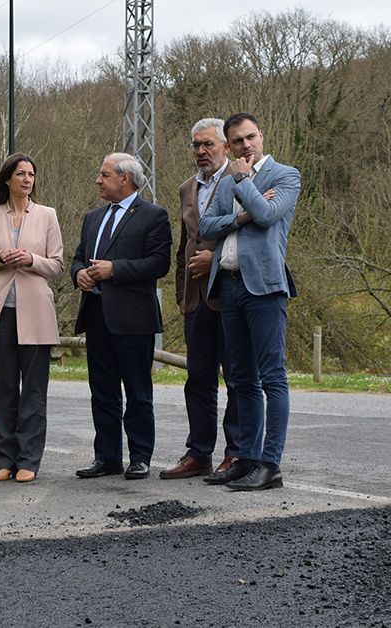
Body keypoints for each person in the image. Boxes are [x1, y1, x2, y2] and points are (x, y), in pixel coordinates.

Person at [199, 112, 301, 492]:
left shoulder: (285, 175)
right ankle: (246, 458)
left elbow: (268, 213)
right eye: (238, 141)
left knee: (272, 378)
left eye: (251, 137)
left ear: (262, 136)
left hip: (264, 288)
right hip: (227, 286)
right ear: (229, 146)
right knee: (240, 380)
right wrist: (240, 215)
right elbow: (207, 227)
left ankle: (270, 464)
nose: (246, 145)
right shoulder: (226, 182)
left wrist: (243, 185)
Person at [71, 153, 172, 480]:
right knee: (102, 391)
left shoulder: (154, 216)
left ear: (125, 179)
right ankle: (107, 457)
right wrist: (79, 276)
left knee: (138, 392)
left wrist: (115, 269)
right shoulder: (92, 218)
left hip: (134, 319)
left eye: (104, 175)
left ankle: (140, 456)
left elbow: (159, 264)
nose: (98, 180)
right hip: (97, 316)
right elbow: (77, 260)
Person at [0, 153, 65, 484]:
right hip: (0, 315)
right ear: (8, 179)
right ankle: (5, 461)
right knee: (4, 392)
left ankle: (29, 460)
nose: (27, 179)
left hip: (37, 314)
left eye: (31, 174)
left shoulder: (47, 215)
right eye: (21, 174)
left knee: (34, 392)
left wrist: (30, 259)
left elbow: (57, 265)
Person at [161, 118, 241, 481]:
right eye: (196, 145)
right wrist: (181, 295)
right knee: (198, 379)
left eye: (208, 144)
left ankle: (236, 452)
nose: (201, 151)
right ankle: (199, 453)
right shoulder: (185, 188)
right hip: (196, 300)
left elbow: (249, 230)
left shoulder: (241, 179)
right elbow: (184, 247)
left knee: (237, 378)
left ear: (225, 146)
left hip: (231, 293)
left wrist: (217, 259)